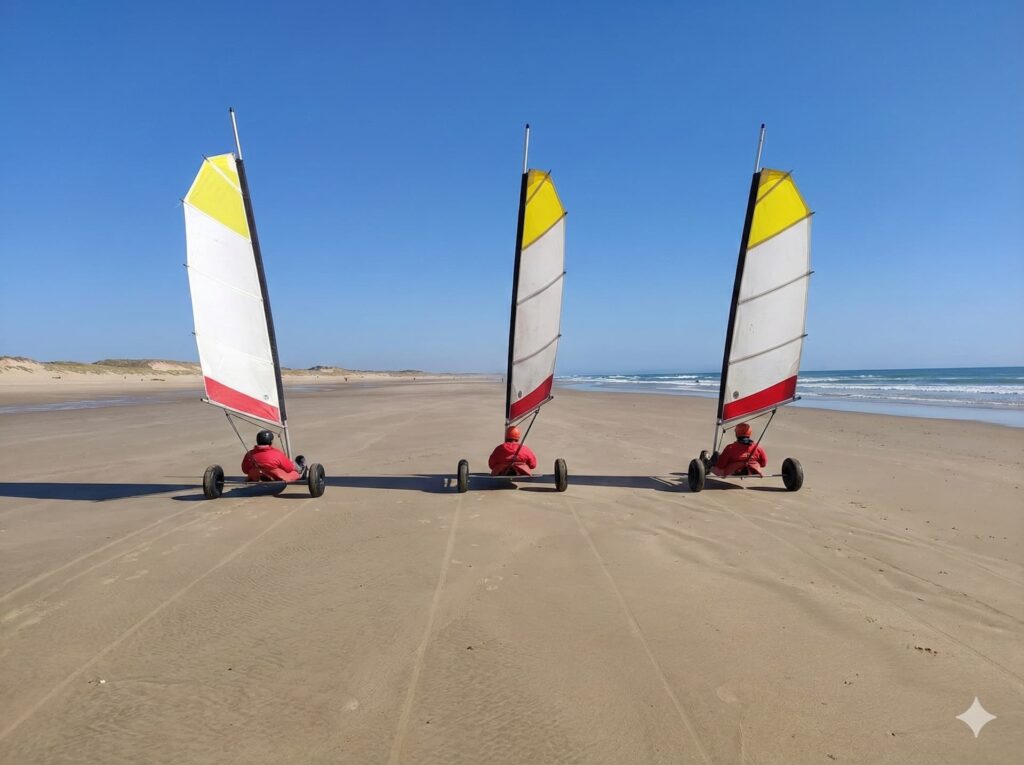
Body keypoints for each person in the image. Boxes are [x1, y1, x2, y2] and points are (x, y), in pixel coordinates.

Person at [241, 430, 306, 482]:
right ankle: (300, 470)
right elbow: (289, 469)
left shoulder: (249, 454)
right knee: (294, 472)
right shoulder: (277, 453)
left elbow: (245, 470)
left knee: (256, 471)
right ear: (271, 441)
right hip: (277, 478)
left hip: (256, 476)